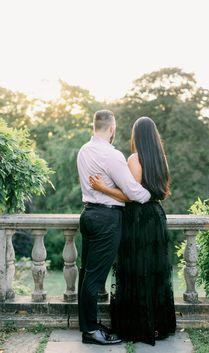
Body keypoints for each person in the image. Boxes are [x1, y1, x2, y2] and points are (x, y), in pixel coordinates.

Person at [89, 116, 176, 346]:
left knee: (136, 270)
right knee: (154, 272)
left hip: (138, 219)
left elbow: (129, 196)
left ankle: (136, 326)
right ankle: (157, 325)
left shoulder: (135, 159)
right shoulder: (161, 159)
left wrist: (102, 188)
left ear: (137, 136)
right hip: (156, 217)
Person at [77, 110, 151, 345]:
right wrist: (149, 194)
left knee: (86, 272)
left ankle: (89, 325)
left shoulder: (83, 151)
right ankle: (90, 332)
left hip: (88, 214)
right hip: (106, 219)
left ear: (94, 126)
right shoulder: (112, 154)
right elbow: (133, 191)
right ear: (111, 128)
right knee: (94, 277)